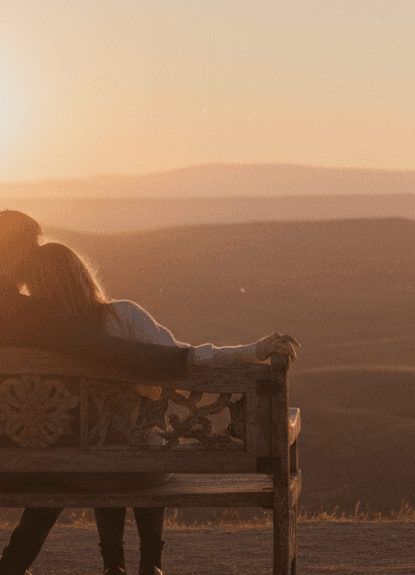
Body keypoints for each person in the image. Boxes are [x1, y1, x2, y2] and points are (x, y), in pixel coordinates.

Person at [0, 211, 298, 575]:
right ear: (29, 261)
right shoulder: (33, 315)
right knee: (62, 463)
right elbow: (131, 356)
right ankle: (11, 568)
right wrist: (245, 352)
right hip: (17, 464)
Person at [25, 241, 297, 575]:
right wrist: (252, 350)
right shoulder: (123, 316)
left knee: (103, 449)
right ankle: (151, 563)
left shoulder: (35, 337)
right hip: (142, 467)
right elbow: (186, 358)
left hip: (76, 468)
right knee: (140, 443)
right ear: (82, 276)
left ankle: (114, 565)